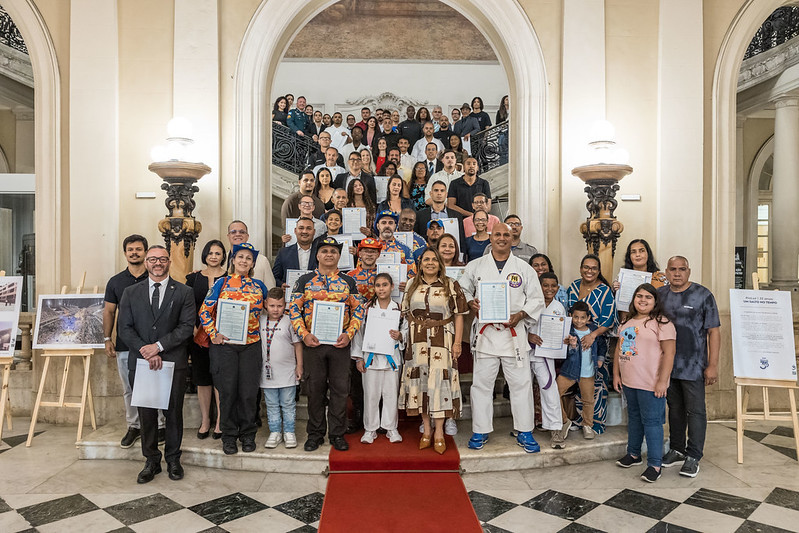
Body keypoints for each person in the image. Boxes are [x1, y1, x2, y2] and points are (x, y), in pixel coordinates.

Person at [460, 223, 545, 453]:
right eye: (497, 234)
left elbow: (537, 299)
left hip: (513, 334)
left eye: (506, 234)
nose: (501, 238)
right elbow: (462, 289)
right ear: (490, 237)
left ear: (512, 237)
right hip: (486, 335)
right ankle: (480, 430)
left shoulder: (523, 268)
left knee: (521, 384)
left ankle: (525, 431)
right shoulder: (475, 266)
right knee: (481, 385)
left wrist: (521, 314)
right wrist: (471, 302)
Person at [117, 245, 195, 483]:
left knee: (173, 414)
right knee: (147, 414)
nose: (157, 263)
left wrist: (159, 347)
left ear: (169, 262)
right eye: (153, 259)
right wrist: (146, 350)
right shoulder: (131, 292)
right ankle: (151, 460)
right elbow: (124, 328)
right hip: (142, 363)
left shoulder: (184, 292)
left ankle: (173, 459)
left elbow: (186, 327)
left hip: (173, 362)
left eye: (162, 259)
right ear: (146, 262)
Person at [290, 238, 365, 452]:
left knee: (340, 391)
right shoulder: (304, 280)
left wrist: (349, 334)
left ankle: (337, 433)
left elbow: (359, 310)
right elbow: (294, 309)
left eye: (333, 251)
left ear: (339, 256)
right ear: (317, 255)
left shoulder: (348, 281)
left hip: (340, 344)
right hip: (313, 344)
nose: (329, 254)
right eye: (324, 250)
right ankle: (314, 434)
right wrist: (304, 334)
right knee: (315, 391)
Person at [199, 243, 269, 455]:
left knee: (248, 393)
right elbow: (204, 312)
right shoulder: (221, 283)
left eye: (248, 258)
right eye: (240, 257)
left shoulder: (259, 286)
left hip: (251, 345)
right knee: (228, 392)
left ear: (253, 263)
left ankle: (248, 434)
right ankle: (229, 436)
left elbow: (270, 310)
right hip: (225, 346)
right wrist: (214, 334)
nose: (244, 261)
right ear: (233, 260)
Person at [399, 248, 467, 455]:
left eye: (434, 260)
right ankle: (426, 430)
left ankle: (439, 432)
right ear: (420, 263)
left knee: (440, 383)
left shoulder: (451, 284)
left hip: (442, 340)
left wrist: (457, 343)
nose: (430, 263)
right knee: (421, 383)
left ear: (440, 263)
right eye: (426, 259)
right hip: (417, 341)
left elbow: (459, 315)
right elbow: (405, 313)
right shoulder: (411, 284)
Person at [658, 256, 720, 478]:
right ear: (666, 271)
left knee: (695, 411)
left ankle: (694, 455)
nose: (677, 273)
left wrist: (712, 365)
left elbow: (714, 331)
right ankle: (677, 449)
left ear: (689, 271)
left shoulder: (703, 295)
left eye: (681, 269)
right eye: (673, 269)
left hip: (694, 365)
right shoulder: (660, 295)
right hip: (668, 365)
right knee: (675, 409)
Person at [103, 234, 165, 448]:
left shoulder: (157, 277)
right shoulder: (116, 282)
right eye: (131, 249)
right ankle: (134, 426)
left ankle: (159, 425)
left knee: (155, 386)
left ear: (146, 253)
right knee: (130, 388)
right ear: (125, 253)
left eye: (139, 249)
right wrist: (106, 338)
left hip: (153, 346)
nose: (134, 252)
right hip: (125, 345)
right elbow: (109, 311)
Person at [613, 283, 676, 482]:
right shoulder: (627, 321)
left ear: (655, 301)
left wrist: (662, 381)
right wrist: (616, 374)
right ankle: (633, 454)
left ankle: (655, 464)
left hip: (650, 383)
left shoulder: (662, 323)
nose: (642, 300)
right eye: (639, 296)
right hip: (630, 381)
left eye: (648, 297)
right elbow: (619, 349)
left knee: (652, 422)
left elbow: (669, 353)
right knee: (634, 418)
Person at [351, 273, 408, 444]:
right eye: (378, 285)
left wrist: (400, 336)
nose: (381, 288)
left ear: (392, 287)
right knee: (371, 395)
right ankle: (370, 429)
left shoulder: (399, 309)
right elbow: (358, 334)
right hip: (371, 359)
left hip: (392, 358)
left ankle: (391, 428)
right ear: (374, 288)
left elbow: (406, 330)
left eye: (385, 285)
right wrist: (358, 358)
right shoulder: (367, 309)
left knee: (391, 394)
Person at [565, 254, 616, 433]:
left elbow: (609, 319)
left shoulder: (604, 290)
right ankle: (580, 419)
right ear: (580, 268)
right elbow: (567, 314)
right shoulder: (572, 287)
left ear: (598, 270)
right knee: (578, 382)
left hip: (596, 344)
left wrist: (592, 335)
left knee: (596, 383)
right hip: (574, 346)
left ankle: (595, 422)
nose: (590, 271)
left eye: (594, 268)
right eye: (586, 267)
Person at [185, 240, 226, 440]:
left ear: (223, 257)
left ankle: (219, 421)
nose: (213, 256)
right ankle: (205, 420)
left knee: (219, 377)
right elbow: (186, 305)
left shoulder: (229, 278)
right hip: (198, 335)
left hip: (221, 336)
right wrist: (192, 328)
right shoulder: (193, 279)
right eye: (210, 253)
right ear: (205, 255)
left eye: (218, 253)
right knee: (202, 379)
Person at [528, 272, 569, 449]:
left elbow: (561, 331)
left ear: (558, 288)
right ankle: (524, 428)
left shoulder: (558, 307)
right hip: (524, 350)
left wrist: (564, 339)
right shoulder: (529, 303)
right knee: (523, 390)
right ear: (539, 286)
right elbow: (520, 325)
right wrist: (529, 336)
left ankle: (556, 429)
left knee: (549, 389)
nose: (549, 289)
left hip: (545, 354)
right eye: (546, 285)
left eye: (553, 286)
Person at [260, 287, 303, 449]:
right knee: (271, 403)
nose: (275, 309)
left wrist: (299, 366)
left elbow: (298, 345)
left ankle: (289, 432)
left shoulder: (290, 321)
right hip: (267, 373)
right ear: (265, 305)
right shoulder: (259, 321)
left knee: (288, 403)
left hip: (287, 371)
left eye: (279, 306)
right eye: (272, 306)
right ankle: (275, 432)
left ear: (285, 305)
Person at [556, 301, 605, 441]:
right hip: (569, 371)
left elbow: (602, 346)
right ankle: (564, 421)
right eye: (576, 317)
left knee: (588, 400)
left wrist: (600, 359)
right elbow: (562, 351)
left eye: (582, 317)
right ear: (570, 316)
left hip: (588, 372)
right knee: (554, 394)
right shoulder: (568, 330)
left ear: (588, 318)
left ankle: (587, 425)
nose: (579, 321)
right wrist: (570, 345)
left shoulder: (594, 330)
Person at [225, 220, 276, 290]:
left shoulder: (263, 261)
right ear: (228, 236)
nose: (237, 234)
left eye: (242, 232)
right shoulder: (222, 259)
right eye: (233, 232)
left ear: (247, 236)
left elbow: (271, 290)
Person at [414, 180, 466, 246]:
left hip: (449, 252)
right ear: (431, 194)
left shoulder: (457, 215)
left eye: (442, 191)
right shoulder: (420, 215)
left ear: (446, 194)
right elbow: (417, 239)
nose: (439, 193)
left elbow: (461, 240)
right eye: (436, 190)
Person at [273, 217, 319, 287]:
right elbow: (274, 277)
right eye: (301, 228)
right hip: (290, 295)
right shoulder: (283, 253)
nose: (304, 231)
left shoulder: (321, 253)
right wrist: (281, 285)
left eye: (309, 228)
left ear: (314, 232)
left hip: (316, 295)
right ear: (295, 231)